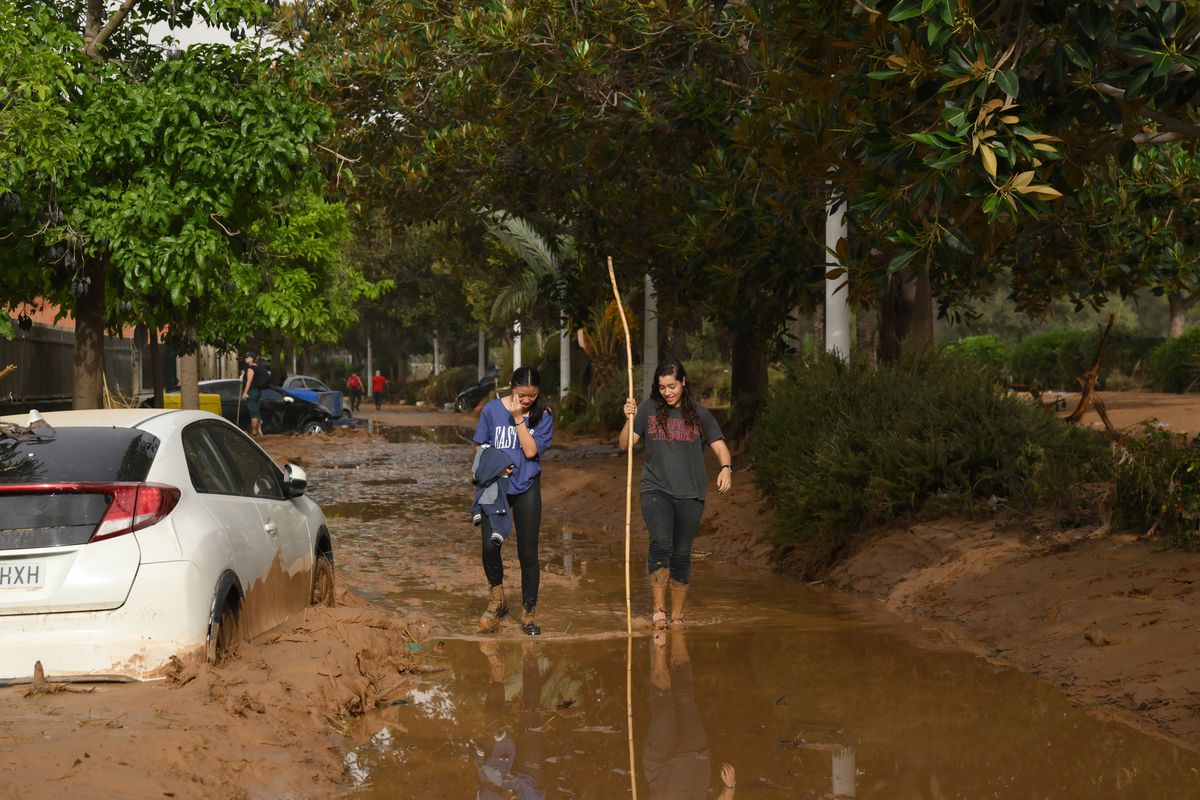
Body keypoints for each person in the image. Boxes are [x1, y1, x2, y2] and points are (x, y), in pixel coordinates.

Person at [620, 359, 732, 629]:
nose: (667, 392)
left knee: (682, 552)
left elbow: (719, 446)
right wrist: (629, 420)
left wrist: (726, 468)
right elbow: (625, 446)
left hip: (691, 492)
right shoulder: (647, 410)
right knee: (661, 544)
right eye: (662, 387)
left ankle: (678, 615)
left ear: (683, 383)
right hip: (655, 488)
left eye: (672, 386)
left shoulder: (700, 413)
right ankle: (659, 611)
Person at [473, 366, 554, 636]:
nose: (527, 399)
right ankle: (498, 600)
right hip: (495, 486)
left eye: (532, 395)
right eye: (522, 394)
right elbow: (479, 446)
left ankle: (528, 613)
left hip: (526, 486)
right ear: (510, 386)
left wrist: (520, 418)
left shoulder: (543, 415)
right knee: (489, 546)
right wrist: (493, 465)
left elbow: (530, 451)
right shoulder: (491, 411)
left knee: (528, 553)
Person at [645, 628, 736, 799]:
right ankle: (677, 629)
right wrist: (730, 786)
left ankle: (659, 645)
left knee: (664, 712)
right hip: (695, 757)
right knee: (685, 696)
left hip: (662, 768)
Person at [240, 351, 270, 437]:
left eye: (247, 357)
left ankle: (254, 434)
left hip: (251, 392)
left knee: (253, 413)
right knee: (256, 411)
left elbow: (249, 381)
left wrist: (245, 393)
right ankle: (259, 427)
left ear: (252, 359)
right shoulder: (257, 367)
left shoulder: (251, 368)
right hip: (257, 392)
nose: (246, 358)